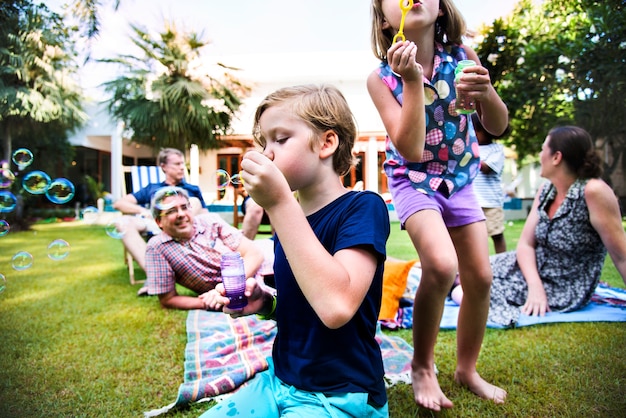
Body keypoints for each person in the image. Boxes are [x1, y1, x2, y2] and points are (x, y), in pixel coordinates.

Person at [200, 84, 391, 417]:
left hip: (340, 392)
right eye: (263, 142)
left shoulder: (363, 208)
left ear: (327, 143)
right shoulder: (290, 218)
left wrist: (278, 203)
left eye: (280, 139)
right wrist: (267, 302)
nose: (266, 153)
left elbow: (335, 307)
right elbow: (305, 305)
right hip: (281, 379)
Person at [367, 0, 509, 410]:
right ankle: (423, 367)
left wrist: (487, 93)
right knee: (443, 265)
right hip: (413, 181)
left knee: (480, 276)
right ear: (383, 18)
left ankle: (467, 369)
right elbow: (410, 149)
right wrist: (412, 81)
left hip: (461, 177)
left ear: (442, 9)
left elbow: (496, 126)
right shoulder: (380, 79)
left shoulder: (463, 57)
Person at [450, 126, 626, 325]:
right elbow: (526, 244)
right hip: (529, 270)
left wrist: (538, 288)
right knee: (464, 272)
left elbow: (621, 256)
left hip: (562, 285)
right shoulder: (546, 190)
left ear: (556, 157)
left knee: (464, 289)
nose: (540, 155)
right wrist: (535, 286)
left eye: (543, 149)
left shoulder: (594, 192)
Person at [143, 186, 265, 310]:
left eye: (184, 207)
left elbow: (254, 254)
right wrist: (211, 300)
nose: (181, 214)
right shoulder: (157, 247)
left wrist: (227, 288)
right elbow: (167, 300)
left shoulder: (210, 221)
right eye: (171, 211)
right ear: (159, 221)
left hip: (267, 262)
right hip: (253, 287)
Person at [112, 148, 208, 274]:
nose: (182, 168)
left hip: (185, 224)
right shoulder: (153, 188)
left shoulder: (192, 189)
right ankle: (154, 273)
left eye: (182, 164)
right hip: (156, 223)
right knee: (122, 222)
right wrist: (143, 210)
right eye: (177, 164)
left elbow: (206, 216)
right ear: (164, 167)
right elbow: (119, 203)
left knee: (194, 201)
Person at [472, 112, 508, 253]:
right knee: (474, 236)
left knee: (496, 234)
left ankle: (501, 260)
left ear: (482, 130)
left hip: (491, 202)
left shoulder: (496, 149)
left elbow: (487, 168)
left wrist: (470, 158)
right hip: (473, 202)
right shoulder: (470, 148)